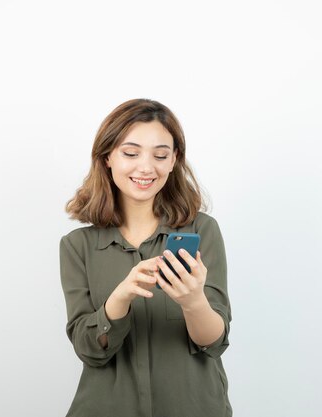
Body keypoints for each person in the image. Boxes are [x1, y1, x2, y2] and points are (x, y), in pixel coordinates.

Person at [59, 98, 232, 417]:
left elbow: (215, 341)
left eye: (160, 155)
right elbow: (89, 350)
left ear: (173, 160)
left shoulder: (202, 231)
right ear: (107, 156)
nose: (146, 167)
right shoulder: (77, 246)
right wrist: (119, 300)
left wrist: (193, 301)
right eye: (130, 153)